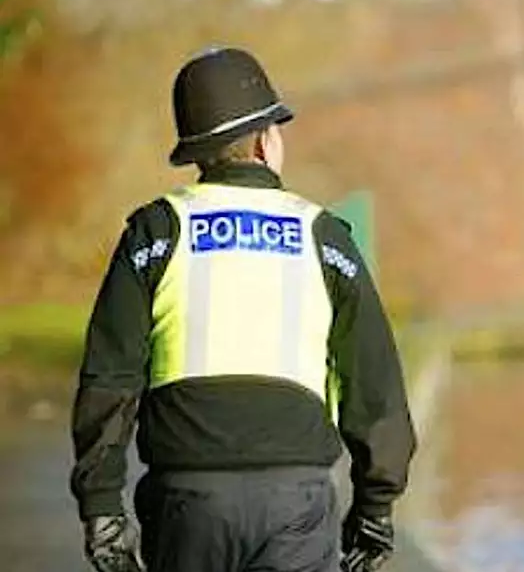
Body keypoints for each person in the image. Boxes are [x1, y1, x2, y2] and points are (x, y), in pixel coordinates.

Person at [69, 46, 417, 572]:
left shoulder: (157, 232)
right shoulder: (322, 238)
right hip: (294, 504)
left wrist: (102, 509)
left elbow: (109, 379)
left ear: (197, 152)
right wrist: (376, 508)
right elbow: (375, 387)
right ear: (263, 141)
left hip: (187, 501)